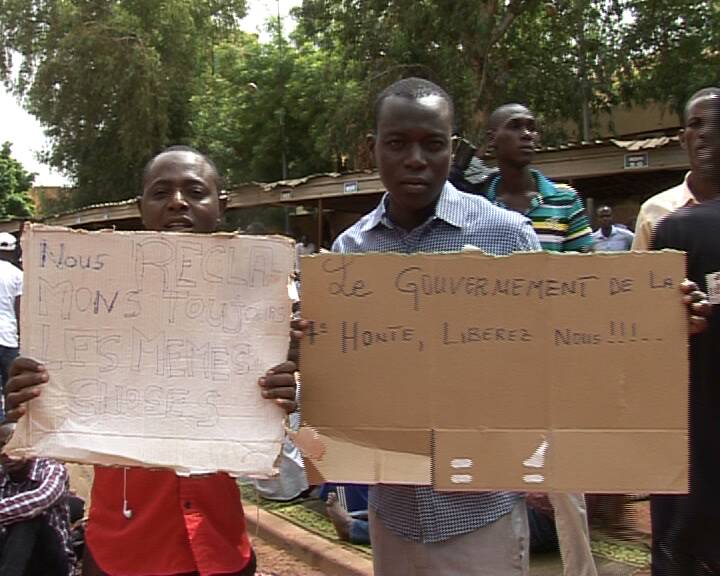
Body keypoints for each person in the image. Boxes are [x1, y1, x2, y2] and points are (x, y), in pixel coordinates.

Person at [3, 146, 304, 576]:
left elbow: (285, 465)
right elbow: (54, 422)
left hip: (219, 548)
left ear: (222, 206)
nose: (178, 202)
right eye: (161, 192)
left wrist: (284, 402)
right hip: (122, 551)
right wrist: (31, 401)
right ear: (140, 207)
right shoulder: (89, 300)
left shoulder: (259, 313)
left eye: (195, 191)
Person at [334, 77, 541, 576]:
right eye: (397, 143)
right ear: (372, 149)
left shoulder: (506, 235)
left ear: (455, 149)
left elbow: (549, 354)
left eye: (433, 144)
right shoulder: (350, 253)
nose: (415, 159)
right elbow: (343, 379)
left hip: (480, 514)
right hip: (394, 514)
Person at [485, 102, 597, 576]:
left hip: (556, 361)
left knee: (568, 486)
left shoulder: (564, 200)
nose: (528, 134)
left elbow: (586, 276)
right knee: (499, 483)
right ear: (492, 142)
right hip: (496, 365)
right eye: (516, 127)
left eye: (533, 127)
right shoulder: (475, 206)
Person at [649, 87, 720, 576]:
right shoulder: (662, 220)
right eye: (695, 123)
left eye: (713, 122)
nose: (705, 133)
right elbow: (641, 322)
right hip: (686, 412)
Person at [632, 87, 720, 251]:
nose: (706, 132)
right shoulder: (654, 213)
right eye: (696, 124)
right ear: (682, 139)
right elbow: (642, 275)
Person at [0, 426, 75, 576]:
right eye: (1, 446)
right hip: (8, 555)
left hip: (49, 561)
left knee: (28, 518)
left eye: (15, 445)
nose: (7, 453)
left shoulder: (51, 468)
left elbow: (43, 497)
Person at [0, 232, 22, 419]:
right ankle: (8, 425)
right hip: (8, 337)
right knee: (10, 384)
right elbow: (19, 308)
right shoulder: (17, 275)